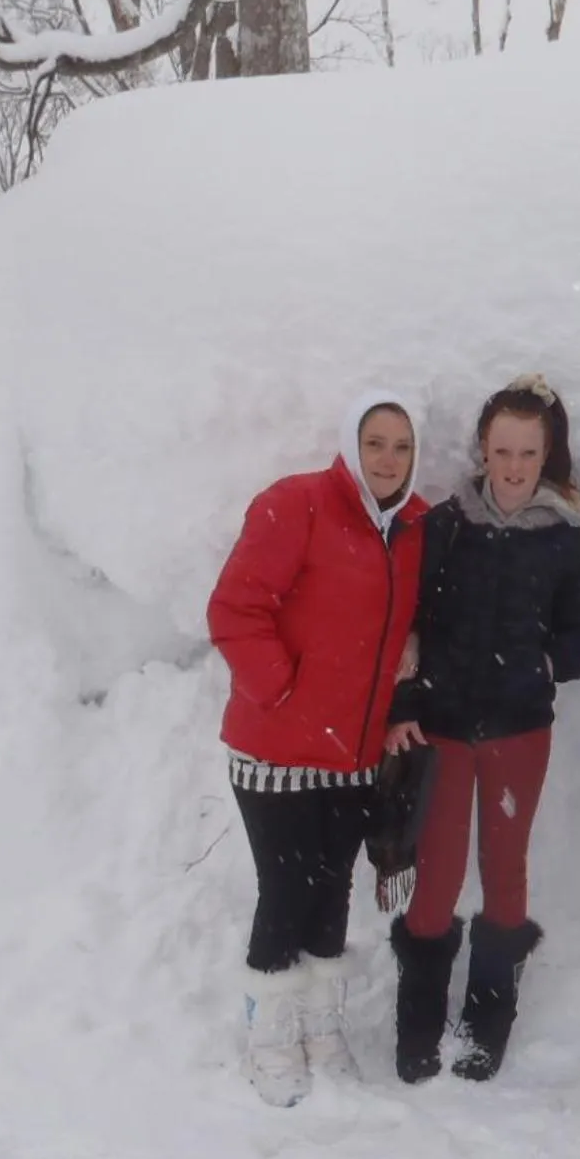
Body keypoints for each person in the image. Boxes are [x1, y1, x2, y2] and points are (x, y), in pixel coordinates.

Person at [207, 390, 429, 1107]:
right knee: (287, 888)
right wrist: (283, 693)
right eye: (375, 442)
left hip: (354, 753)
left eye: (401, 445)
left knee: (332, 885)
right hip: (275, 751)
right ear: (351, 445)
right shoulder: (296, 504)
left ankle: (321, 1024)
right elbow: (235, 609)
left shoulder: (414, 529)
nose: (388, 459)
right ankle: (271, 1031)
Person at [384, 376, 580, 1083]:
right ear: (483, 449)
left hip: (518, 731)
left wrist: (547, 661)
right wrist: (407, 705)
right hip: (444, 730)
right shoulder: (447, 527)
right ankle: (418, 1021)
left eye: (527, 452)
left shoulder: (564, 536)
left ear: (547, 455)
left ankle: (488, 1016)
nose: (513, 466)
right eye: (502, 450)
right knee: (438, 875)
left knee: (504, 870)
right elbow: (408, 625)